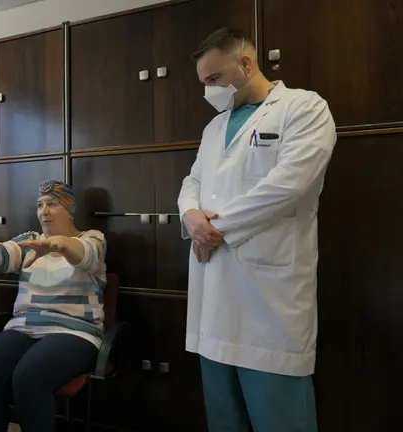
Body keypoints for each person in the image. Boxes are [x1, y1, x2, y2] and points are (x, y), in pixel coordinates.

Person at [177, 28, 336, 432]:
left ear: (245, 63)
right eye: (204, 83)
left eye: (214, 79)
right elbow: (191, 182)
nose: (209, 91)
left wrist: (215, 229)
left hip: (268, 306)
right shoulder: (215, 128)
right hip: (213, 302)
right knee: (224, 422)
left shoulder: (303, 108)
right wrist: (190, 218)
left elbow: (288, 186)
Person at [0, 180, 106, 432]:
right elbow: (2, 253)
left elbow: (85, 253)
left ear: (70, 209)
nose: (43, 211)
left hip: (75, 331)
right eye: (39, 205)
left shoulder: (92, 238)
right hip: (24, 327)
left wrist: (58, 244)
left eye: (52, 204)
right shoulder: (31, 241)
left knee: (29, 377)